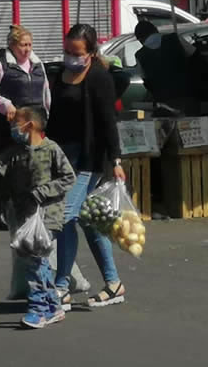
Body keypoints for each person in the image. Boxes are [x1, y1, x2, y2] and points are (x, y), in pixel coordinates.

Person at [0, 106, 75, 329]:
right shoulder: (16, 152)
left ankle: (39, 308)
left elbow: (68, 178)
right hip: (25, 216)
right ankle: (53, 306)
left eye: (16, 122)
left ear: (29, 125)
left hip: (48, 216)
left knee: (35, 260)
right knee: (35, 260)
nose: (13, 127)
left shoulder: (51, 149)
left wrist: (41, 193)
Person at [46, 23, 126, 311]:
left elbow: (108, 122)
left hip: (89, 160)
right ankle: (114, 284)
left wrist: (116, 160)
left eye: (76, 52)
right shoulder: (58, 75)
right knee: (89, 222)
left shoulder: (99, 78)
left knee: (66, 216)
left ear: (91, 52)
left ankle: (61, 286)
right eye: (67, 51)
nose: (70, 57)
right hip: (62, 158)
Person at [0, 25, 51, 149]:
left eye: (29, 45)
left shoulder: (38, 65)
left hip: (36, 127)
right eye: (23, 45)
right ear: (12, 45)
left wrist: (46, 116)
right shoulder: (1, 65)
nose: (27, 49)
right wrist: (5, 105)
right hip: (11, 128)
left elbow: (46, 93)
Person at [133, 20, 199, 116]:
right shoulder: (175, 39)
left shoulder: (139, 55)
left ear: (140, 39)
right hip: (188, 95)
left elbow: (146, 81)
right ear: (156, 30)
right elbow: (196, 56)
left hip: (164, 102)